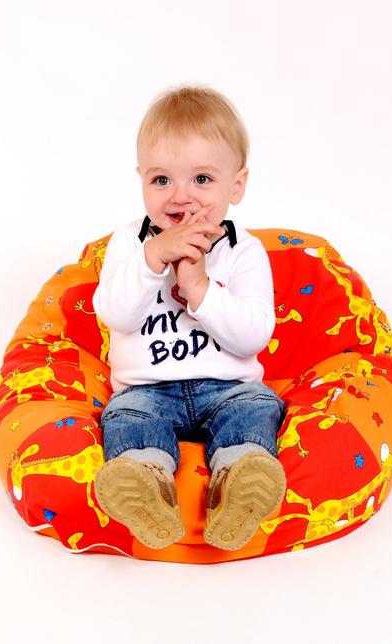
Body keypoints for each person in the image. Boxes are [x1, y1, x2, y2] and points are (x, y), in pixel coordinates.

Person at [92, 84, 286, 552]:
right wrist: (152, 259)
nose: (181, 197)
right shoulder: (130, 244)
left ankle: (237, 483)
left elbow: (253, 336)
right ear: (141, 179)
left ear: (236, 185)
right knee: (126, 419)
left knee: (256, 408)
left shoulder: (243, 251)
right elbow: (114, 314)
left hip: (229, 388)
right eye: (161, 180)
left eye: (202, 179)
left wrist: (199, 288)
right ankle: (147, 485)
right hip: (146, 391)